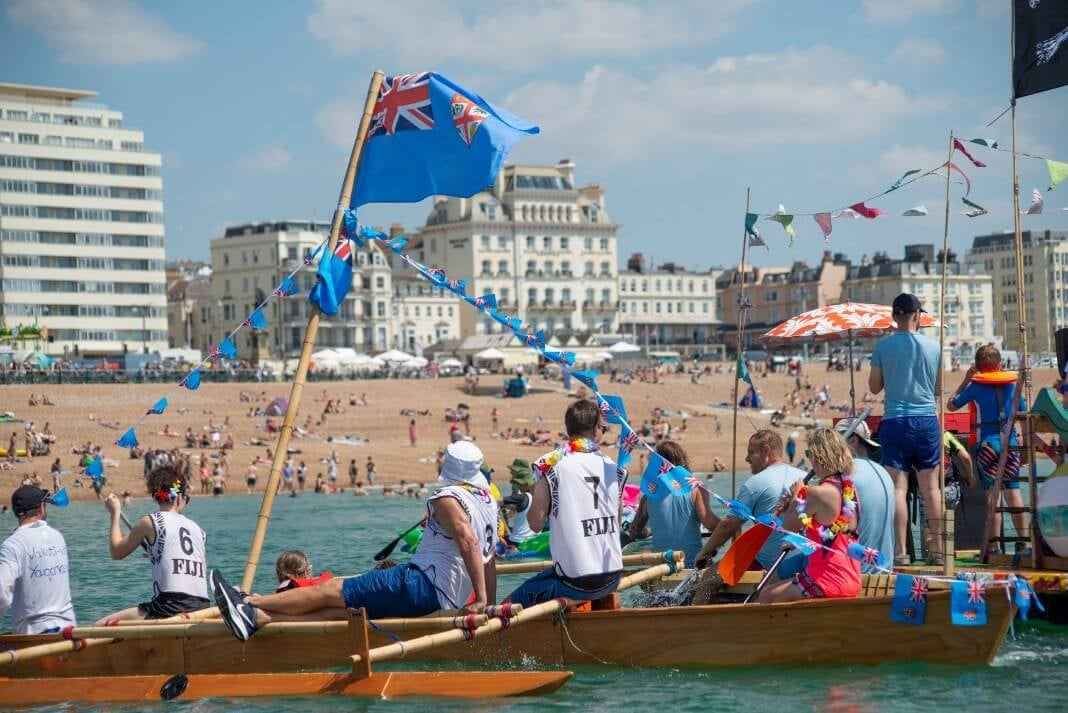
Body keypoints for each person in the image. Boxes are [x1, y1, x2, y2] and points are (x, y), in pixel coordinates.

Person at [212, 441, 498, 641]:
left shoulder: (447, 498)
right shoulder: (488, 503)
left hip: (420, 583)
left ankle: (247, 602)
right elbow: (489, 559)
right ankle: (259, 618)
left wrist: (482, 600)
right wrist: (489, 604)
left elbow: (469, 542)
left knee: (331, 589)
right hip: (447, 597)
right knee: (346, 611)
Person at [506, 400, 623, 606]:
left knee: (507, 605)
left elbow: (535, 525)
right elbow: (617, 521)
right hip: (613, 576)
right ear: (596, 431)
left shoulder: (552, 467)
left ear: (569, 429)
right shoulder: (614, 468)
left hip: (576, 582)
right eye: (603, 428)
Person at [869, 293, 943, 566]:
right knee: (931, 488)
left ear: (894, 316)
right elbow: (937, 389)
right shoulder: (935, 347)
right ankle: (937, 551)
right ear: (917, 315)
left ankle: (900, 552)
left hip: (895, 421)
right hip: (926, 420)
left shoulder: (882, 347)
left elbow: (874, 387)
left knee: (898, 490)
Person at [692, 430, 806, 605]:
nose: (746, 458)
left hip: (775, 564)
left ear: (766, 451)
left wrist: (704, 552)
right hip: (804, 558)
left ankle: (695, 621)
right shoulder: (804, 476)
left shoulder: (755, 483)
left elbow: (728, 526)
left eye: (751, 452)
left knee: (708, 579)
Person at [95, 465, 209, 623]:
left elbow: (117, 552)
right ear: (178, 497)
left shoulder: (150, 522)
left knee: (100, 625)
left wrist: (115, 514)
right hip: (203, 608)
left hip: (170, 607)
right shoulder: (199, 531)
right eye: (186, 499)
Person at [759, 428, 861, 602]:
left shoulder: (817, 493)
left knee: (765, 596)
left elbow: (787, 528)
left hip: (827, 580)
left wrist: (797, 495)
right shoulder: (850, 491)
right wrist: (794, 505)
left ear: (817, 456)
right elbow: (823, 530)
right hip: (852, 578)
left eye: (809, 454)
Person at [947, 345, 1028, 552]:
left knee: (993, 496)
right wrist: (1025, 446)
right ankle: (1024, 542)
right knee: (1013, 492)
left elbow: (952, 405)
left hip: (988, 445)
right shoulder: (1013, 385)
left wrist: (965, 380)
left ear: (978, 368)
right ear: (1000, 364)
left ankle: (994, 547)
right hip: (1010, 443)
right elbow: (1024, 414)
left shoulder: (975, 386)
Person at [626, 441, 719, 567]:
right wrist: (730, 527)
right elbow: (710, 523)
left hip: (660, 568)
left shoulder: (648, 495)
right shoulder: (696, 489)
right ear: (681, 460)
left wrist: (650, 531)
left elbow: (635, 531)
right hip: (691, 565)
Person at [0, 485, 76, 633]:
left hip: (34, 634)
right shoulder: (57, 536)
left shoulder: (12, 545)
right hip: (68, 630)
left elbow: (2, 596)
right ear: (42, 508)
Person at [835, 418, 895, 573]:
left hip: (857, 573)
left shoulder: (845, 476)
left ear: (853, 440)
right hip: (885, 570)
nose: (831, 449)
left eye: (834, 442)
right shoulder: (884, 472)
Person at [502, 459, 537, 546]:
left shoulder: (521, 488)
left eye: (512, 471)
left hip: (520, 538)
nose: (510, 473)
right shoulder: (518, 486)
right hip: (532, 534)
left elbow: (515, 506)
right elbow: (517, 507)